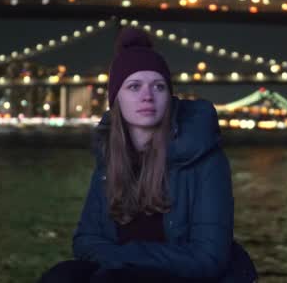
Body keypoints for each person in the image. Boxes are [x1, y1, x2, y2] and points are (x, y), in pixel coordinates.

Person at [39, 27, 257, 283]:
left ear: (169, 96)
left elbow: (208, 258)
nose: (147, 96)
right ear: (116, 99)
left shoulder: (205, 160)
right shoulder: (110, 159)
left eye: (158, 86)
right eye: (134, 86)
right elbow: (85, 241)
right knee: (60, 277)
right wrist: (121, 263)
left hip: (190, 278)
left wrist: (124, 259)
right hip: (120, 273)